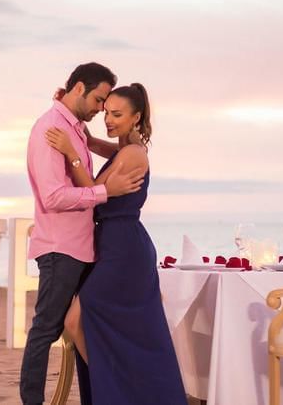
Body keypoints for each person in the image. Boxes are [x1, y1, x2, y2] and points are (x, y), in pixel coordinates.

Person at [45, 83, 187, 404]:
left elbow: (91, 194)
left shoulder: (134, 154)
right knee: (109, 327)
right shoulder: (125, 148)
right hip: (111, 244)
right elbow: (93, 142)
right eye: (106, 112)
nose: (108, 119)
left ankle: (121, 390)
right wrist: (68, 110)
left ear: (136, 117)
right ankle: (123, 389)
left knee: (75, 319)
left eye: (117, 114)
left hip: (124, 251)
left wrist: (71, 153)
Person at [20, 63, 147, 405]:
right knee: (46, 329)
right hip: (62, 248)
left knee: (88, 324)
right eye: (98, 100)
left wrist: (85, 147)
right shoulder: (51, 129)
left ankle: (105, 394)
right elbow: (54, 196)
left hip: (84, 247)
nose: (100, 109)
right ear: (78, 88)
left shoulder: (73, 127)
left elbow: (113, 152)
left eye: (108, 106)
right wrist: (106, 192)